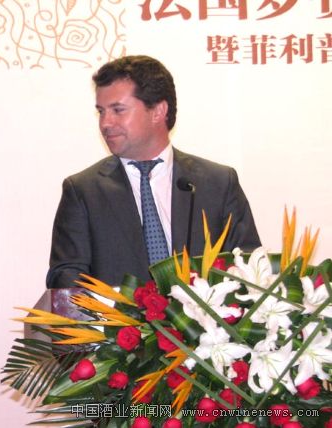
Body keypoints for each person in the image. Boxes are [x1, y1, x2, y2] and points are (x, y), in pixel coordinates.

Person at [47, 55, 261, 289]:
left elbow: (250, 270)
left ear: (158, 111)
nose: (105, 123)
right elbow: (66, 279)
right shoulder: (84, 192)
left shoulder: (218, 184)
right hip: (116, 314)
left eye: (118, 110)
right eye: (101, 112)